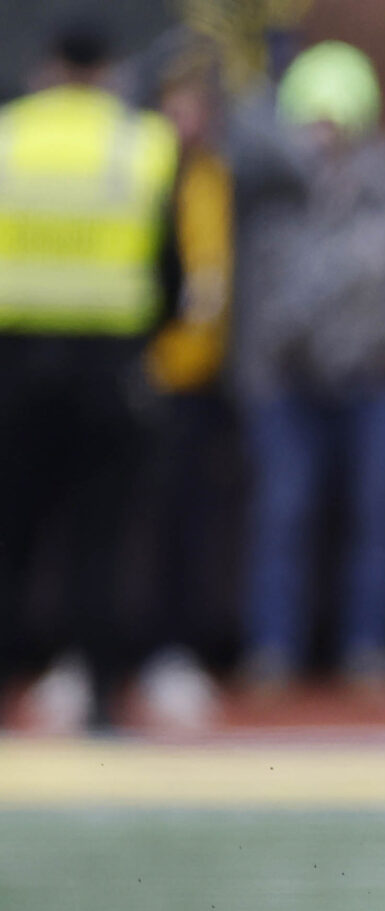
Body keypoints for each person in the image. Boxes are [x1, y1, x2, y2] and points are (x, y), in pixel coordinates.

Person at [228, 40, 385, 698]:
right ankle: (272, 649)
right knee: (281, 513)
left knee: (376, 516)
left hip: (374, 379)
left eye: (331, 119)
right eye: (308, 119)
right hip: (288, 383)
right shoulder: (269, 192)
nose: (319, 135)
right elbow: (247, 288)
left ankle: (369, 648)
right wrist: (257, 369)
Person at [0, 17, 181, 734]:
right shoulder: (139, 146)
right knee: (97, 545)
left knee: (8, 542)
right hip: (108, 367)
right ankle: (101, 698)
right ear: (109, 68)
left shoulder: (9, 139)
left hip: (13, 365)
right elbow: (169, 271)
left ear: (48, 66)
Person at [132, 46, 233, 734]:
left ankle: (170, 654)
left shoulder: (218, 177)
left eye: (194, 101)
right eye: (173, 99)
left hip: (199, 381)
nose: (182, 115)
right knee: (112, 529)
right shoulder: (137, 169)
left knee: (183, 525)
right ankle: (94, 656)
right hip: (134, 377)